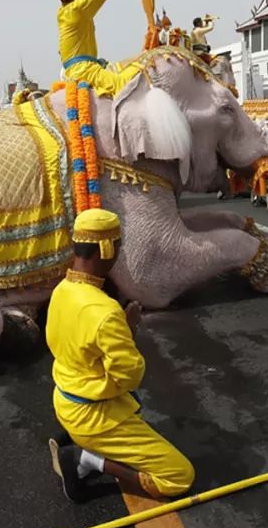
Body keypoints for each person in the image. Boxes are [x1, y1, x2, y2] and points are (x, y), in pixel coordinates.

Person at [46, 208, 194, 501]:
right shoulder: (105, 311)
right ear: (106, 248)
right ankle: (88, 459)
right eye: (118, 246)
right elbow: (129, 377)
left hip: (66, 399)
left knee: (134, 411)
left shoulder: (62, 289)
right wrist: (129, 330)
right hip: (93, 416)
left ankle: (86, 448)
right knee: (179, 477)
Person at [55, 0, 140, 98]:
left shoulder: (65, 10)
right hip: (84, 70)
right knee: (124, 83)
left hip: (81, 67)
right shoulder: (77, 8)